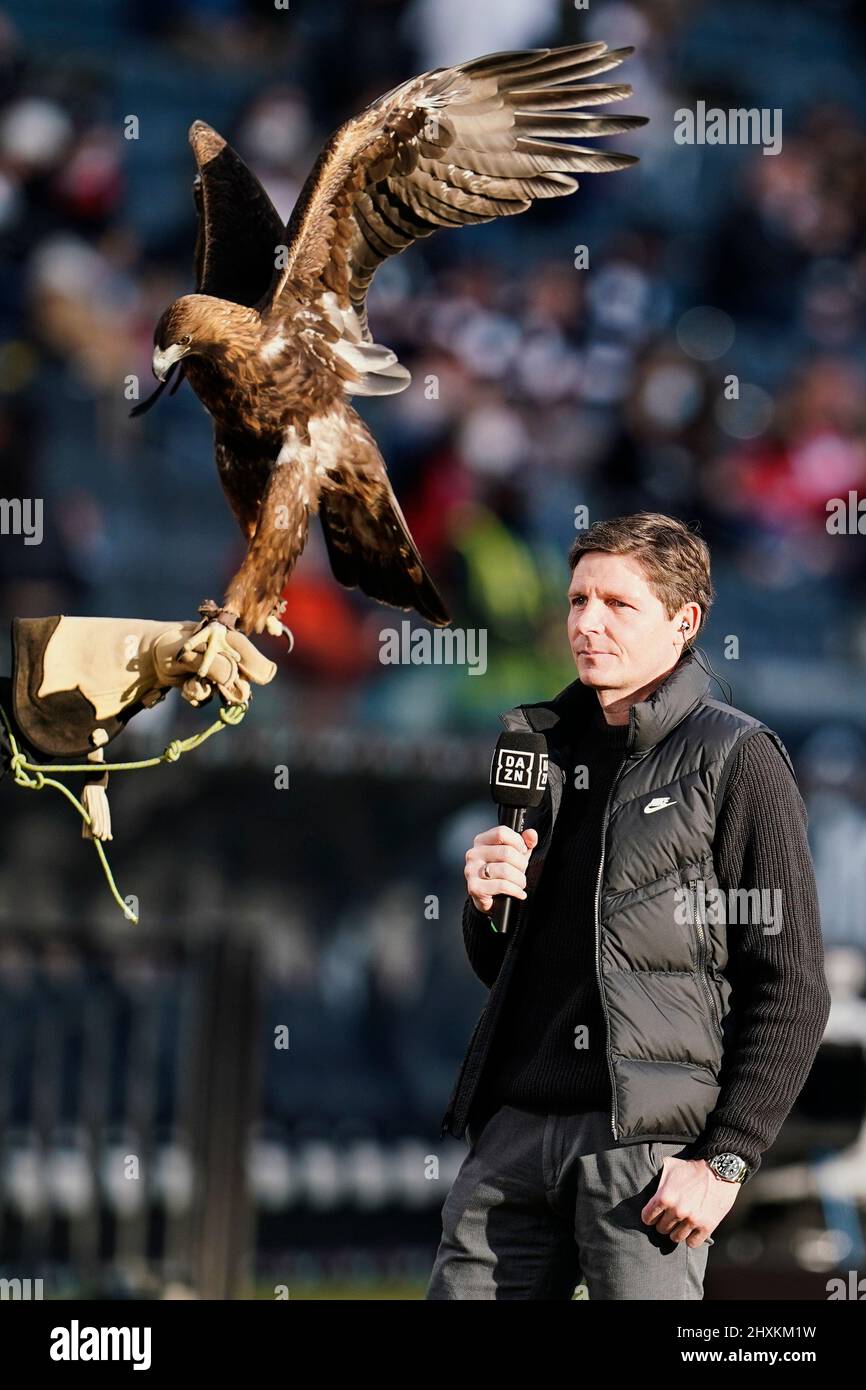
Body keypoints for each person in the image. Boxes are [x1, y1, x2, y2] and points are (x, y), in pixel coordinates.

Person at [426, 511, 832, 1300]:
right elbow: (505, 969)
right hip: (512, 1136)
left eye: (617, 604)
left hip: (647, 1155)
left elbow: (792, 985)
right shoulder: (538, 748)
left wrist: (726, 1160)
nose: (587, 624)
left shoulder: (738, 759)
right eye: (578, 601)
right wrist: (486, 904)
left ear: (684, 623)